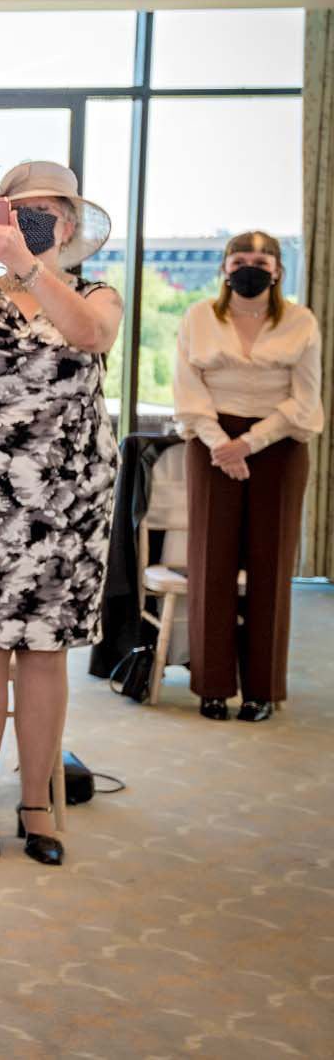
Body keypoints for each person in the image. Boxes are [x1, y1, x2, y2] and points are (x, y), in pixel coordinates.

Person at [0, 161, 121, 867]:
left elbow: (91, 337)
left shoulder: (97, 294)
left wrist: (33, 271)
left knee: (44, 652)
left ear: (67, 228)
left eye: (48, 214)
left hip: (68, 498)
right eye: (20, 213)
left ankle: (36, 802)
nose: (35, 223)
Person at [173, 230, 322, 722]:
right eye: (240, 258)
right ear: (224, 268)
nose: (250, 266)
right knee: (211, 563)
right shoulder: (199, 317)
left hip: (279, 446)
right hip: (212, 443)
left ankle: (263, 690)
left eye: (261, 259)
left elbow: (305, 400)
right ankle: (212, 685)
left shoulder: (300, 321)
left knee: (271, 567)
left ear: (278, 270)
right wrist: (222, 444)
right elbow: (187, 389)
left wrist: (251, 443)